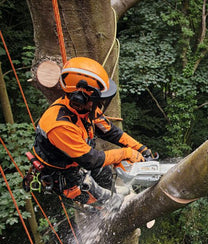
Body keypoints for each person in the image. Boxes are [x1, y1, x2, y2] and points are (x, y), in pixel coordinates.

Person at [28, 56, 152, 211]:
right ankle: (102, 217)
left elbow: (111, 132)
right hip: (67, 178)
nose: (99, 104)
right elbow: (91, 159)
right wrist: (125, 153)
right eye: (97, 100)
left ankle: (108, 206)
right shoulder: (59, 125)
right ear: (79, 99)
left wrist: (140, 149)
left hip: (79, 163)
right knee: (109, 201)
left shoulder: (86, 109)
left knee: (106, 173)